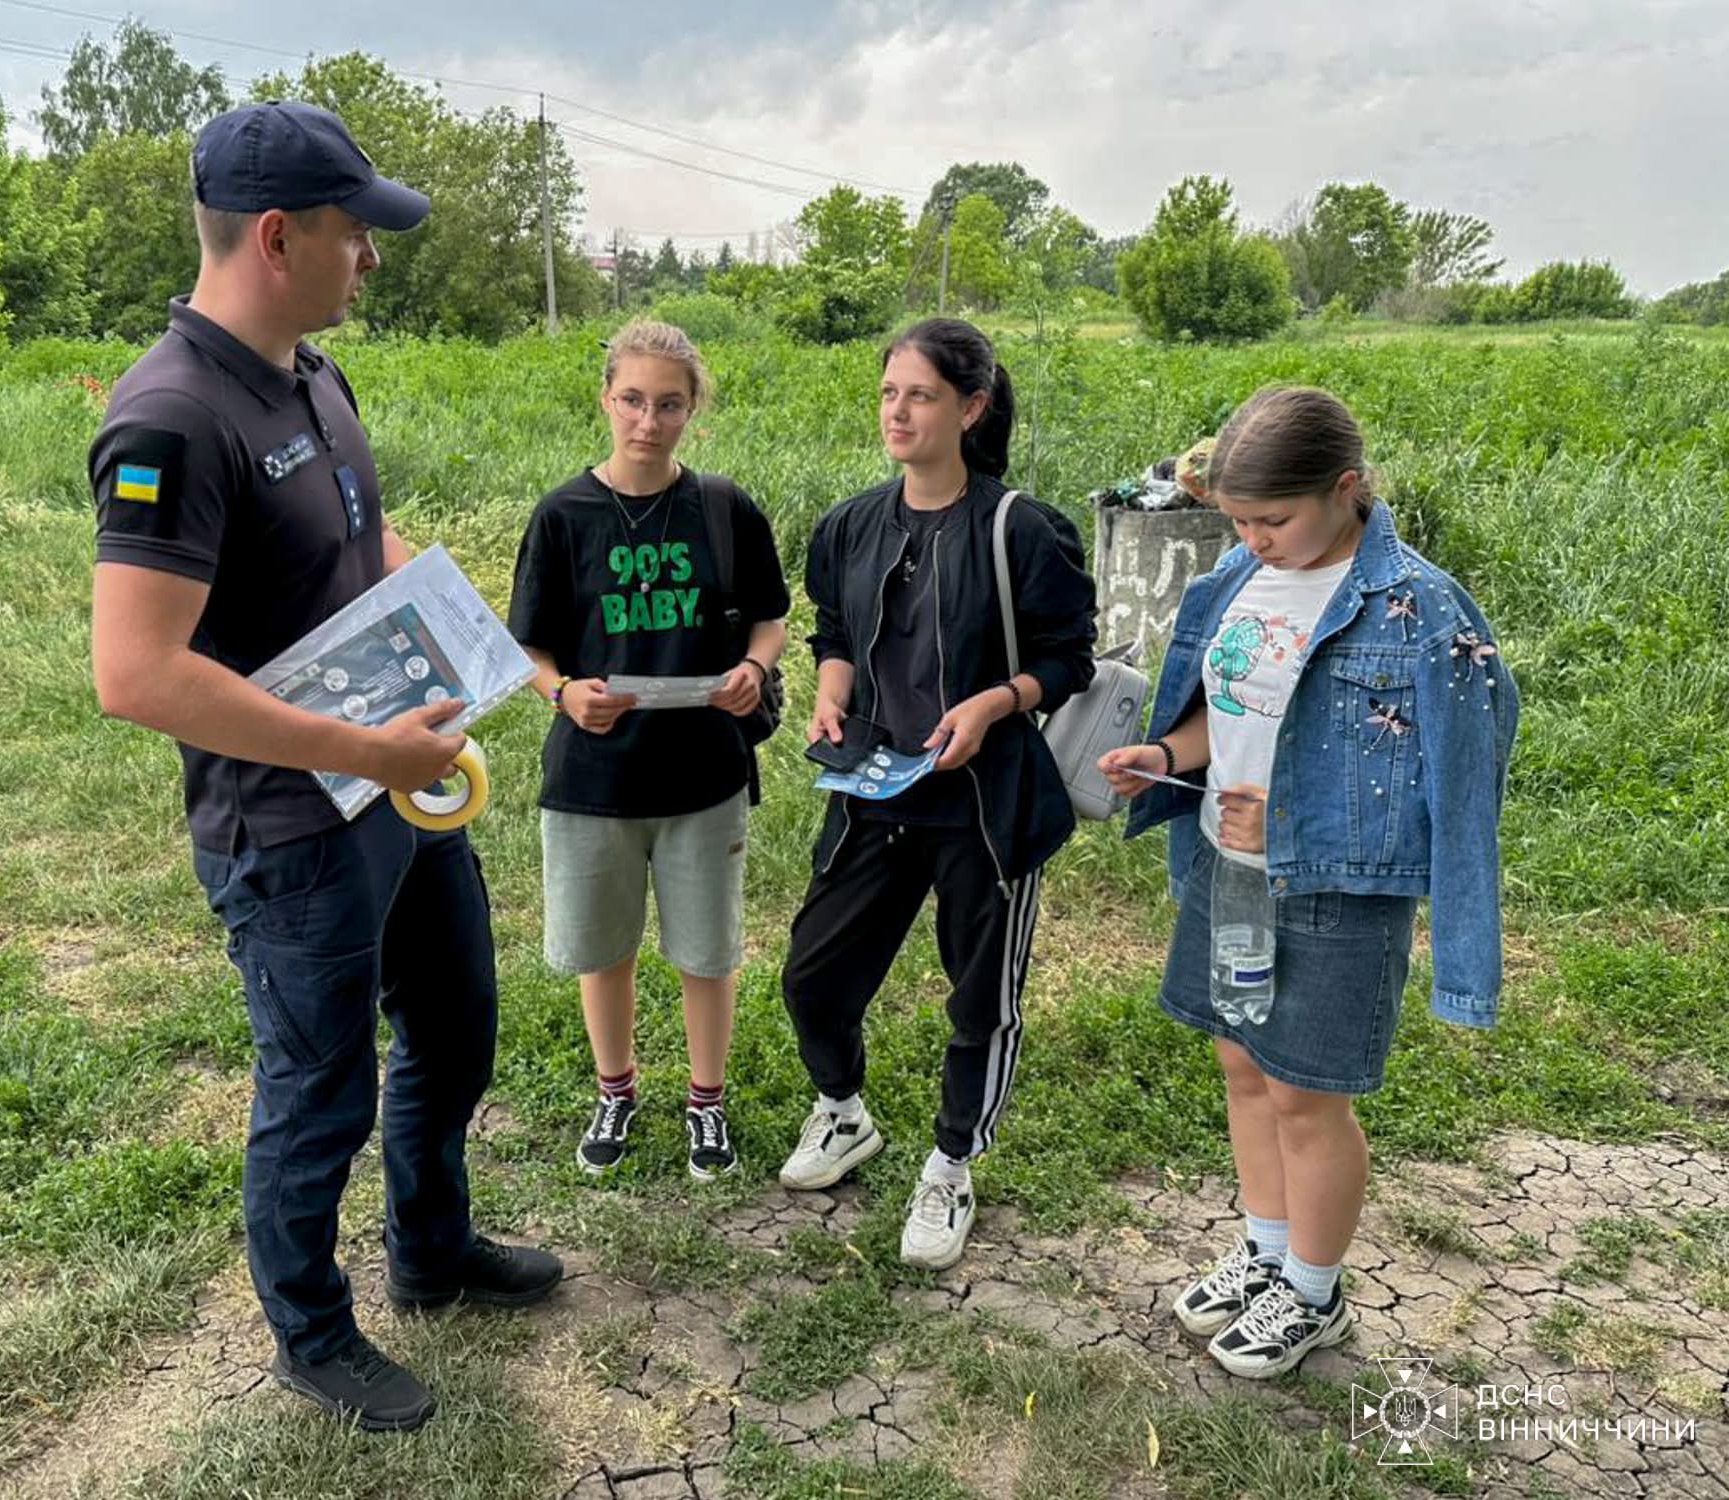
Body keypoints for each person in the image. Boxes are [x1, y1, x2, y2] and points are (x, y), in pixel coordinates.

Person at [88, 101, 561, 1435]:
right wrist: (364, 749)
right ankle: (311, 1332)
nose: (372, 257)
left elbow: (364, 542)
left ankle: (432, 1253)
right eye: (356, 233)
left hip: (392, 793)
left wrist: (496, 650)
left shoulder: (307, 372)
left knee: (456, 1030)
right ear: (279, 234)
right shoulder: (172, 418)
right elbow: (136, 674)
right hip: (289, 830)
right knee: (318, 1095)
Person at [1099, 386, 1518, 1380]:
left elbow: (1463, 768)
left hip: (1332, 891)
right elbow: (1222, 711)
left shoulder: (1418, 609)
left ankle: (1313, 1294)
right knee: (1242, 1068)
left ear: (1345, 488)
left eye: (1272, 519)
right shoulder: (1238, 579)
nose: (1252, 538)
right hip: (1224, 866)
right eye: (1237, 520)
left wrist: (1289, 807)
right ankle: (1265, 1252)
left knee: (1304, 1095)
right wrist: (1164, 752)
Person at [776, 318, 1097, 1271]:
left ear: (971, 406)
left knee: (980, 1000)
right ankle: (842, 1113)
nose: (898, 411)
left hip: (984, 807)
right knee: (812, 977)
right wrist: (833, 692)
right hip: (875, 791)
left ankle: (952, 1165)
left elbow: (1067, 660)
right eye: (888, 393)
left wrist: (997, 703)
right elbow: (833, 631)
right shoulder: (848, 525)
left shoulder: (1022, 531)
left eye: (919, 395)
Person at [508, 320, 789, 1181]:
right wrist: (562, 694)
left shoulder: (723, 507)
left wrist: (752, 668)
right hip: (595, 775)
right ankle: (616, 1090)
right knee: (606, 946)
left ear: (692, 409)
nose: (648, 420)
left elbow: (772, 619)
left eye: (669, 403)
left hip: (703, 771)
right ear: (606, 399)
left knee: (708, 950)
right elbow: (530, 646)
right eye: (632, 399)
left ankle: (708, 1102)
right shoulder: (563, 515)